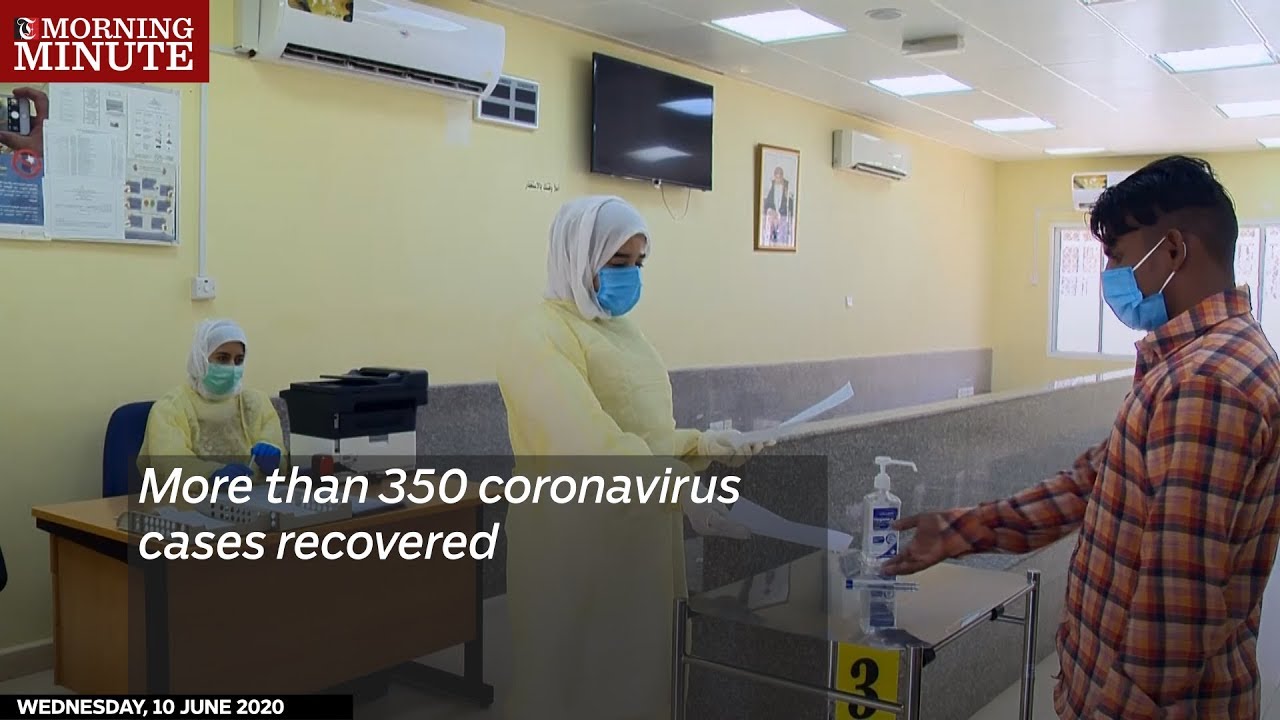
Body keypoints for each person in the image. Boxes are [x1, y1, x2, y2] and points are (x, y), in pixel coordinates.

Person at [884, 155, 1280, 719]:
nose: (1110, 276)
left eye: (1117, 256)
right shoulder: (1191, 365)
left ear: (1173, 250)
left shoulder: (1207, 384)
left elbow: (1172, 622)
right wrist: (963, 530)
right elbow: (1092, 482)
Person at [496, 195, 771, 719]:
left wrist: (703, 445)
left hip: (642, 540)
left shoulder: (625, 333)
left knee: (644, 680)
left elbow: (645, 433)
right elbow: (584, 440)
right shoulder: (536, 335)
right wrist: (677, 486)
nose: (630, 276)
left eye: (638, 263)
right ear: (577, 256)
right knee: (571, 688)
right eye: (617, 261)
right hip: (573, 547)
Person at [139, 319, 287, 485]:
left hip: (255, 496)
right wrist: (210, 475)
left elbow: (278, 454)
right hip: (191, 498)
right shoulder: (171, 407)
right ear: (200, 359)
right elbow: (168, 465)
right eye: (222, 358)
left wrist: (276, 462)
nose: (232, 367)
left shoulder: (255, 403)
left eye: (239, 360)